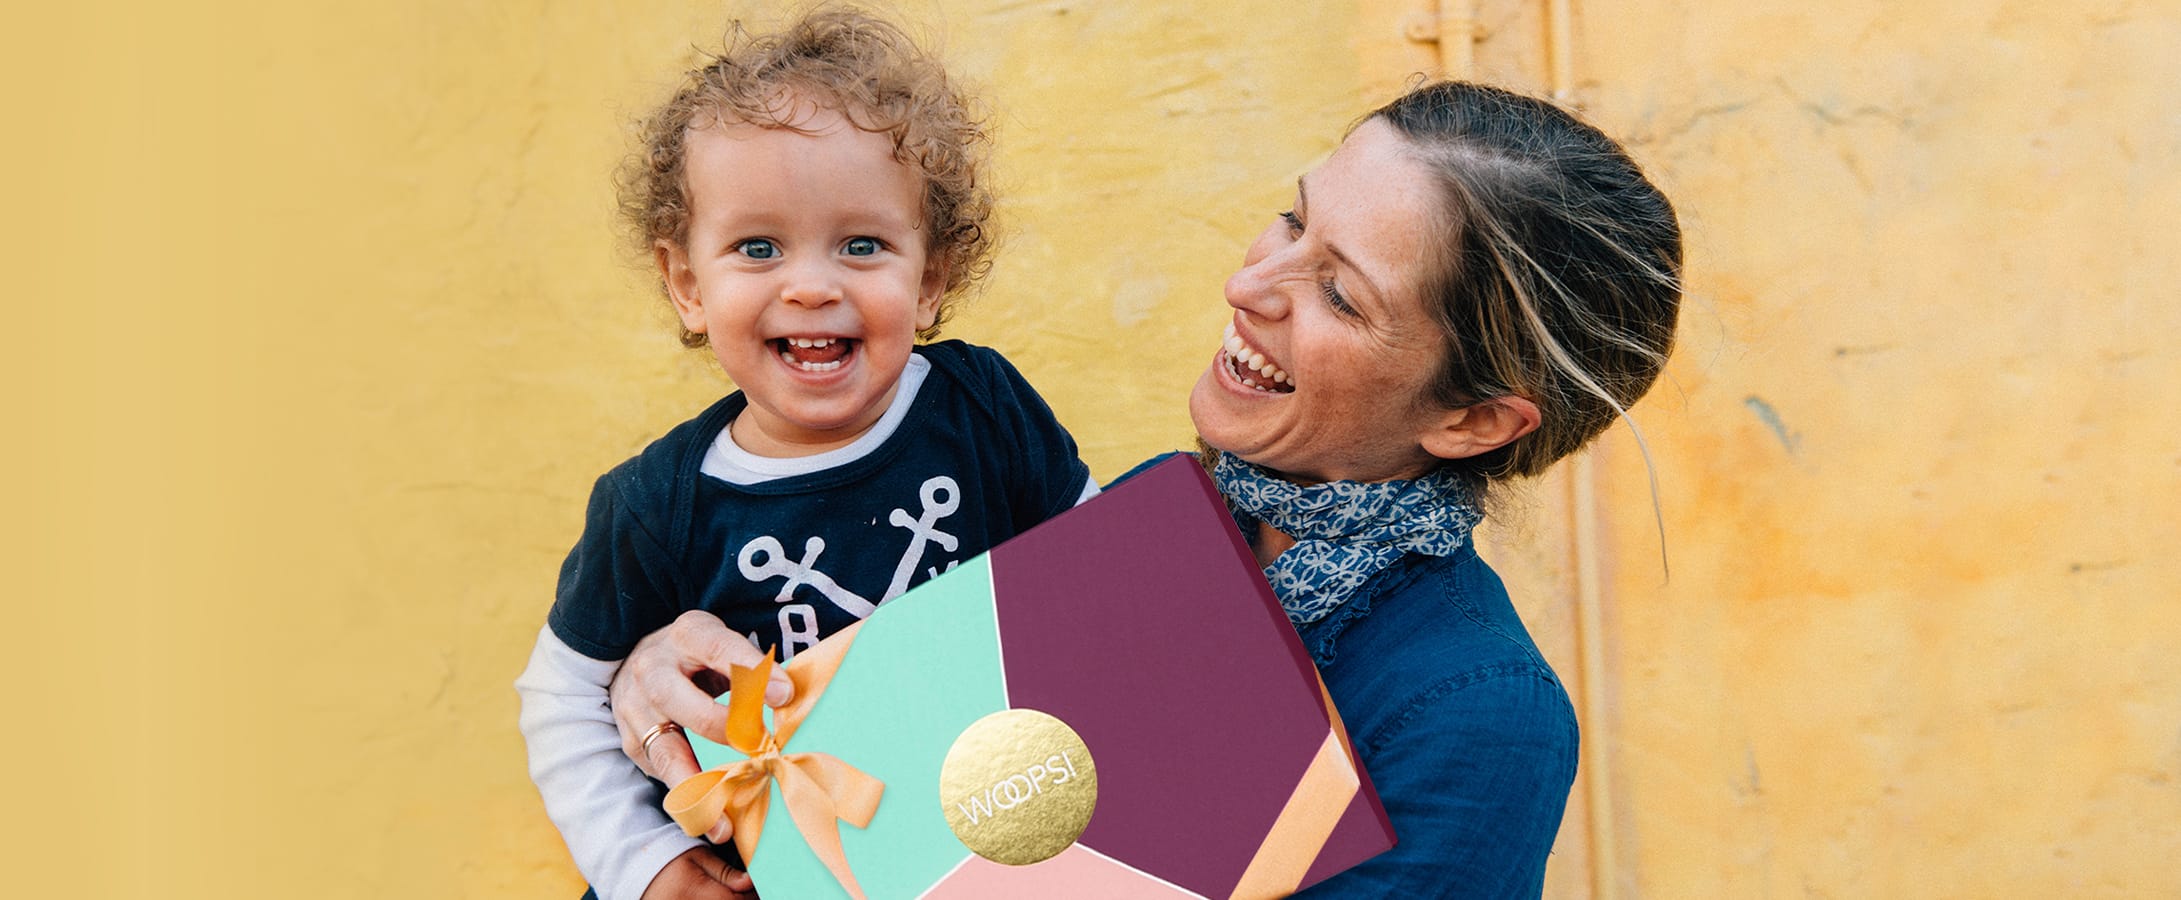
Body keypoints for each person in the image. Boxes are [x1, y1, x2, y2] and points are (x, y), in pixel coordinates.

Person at [613, 79, 1681, 898]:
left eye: (1340, 295)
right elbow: (904, 790)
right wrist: (676, 692)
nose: (1248, 284)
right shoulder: (1155, 517)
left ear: (1474, 419)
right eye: (1290, 220)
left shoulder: (1480, 718)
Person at [512, 8, 1096, 900]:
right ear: (687, 285)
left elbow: (1112, 582)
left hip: (973, 848)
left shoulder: (984, 408)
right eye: (757, 247)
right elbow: (561, 702)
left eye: (862, 245)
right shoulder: (657, 504)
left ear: (929, 278)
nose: (813, 284)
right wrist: (648, 868)